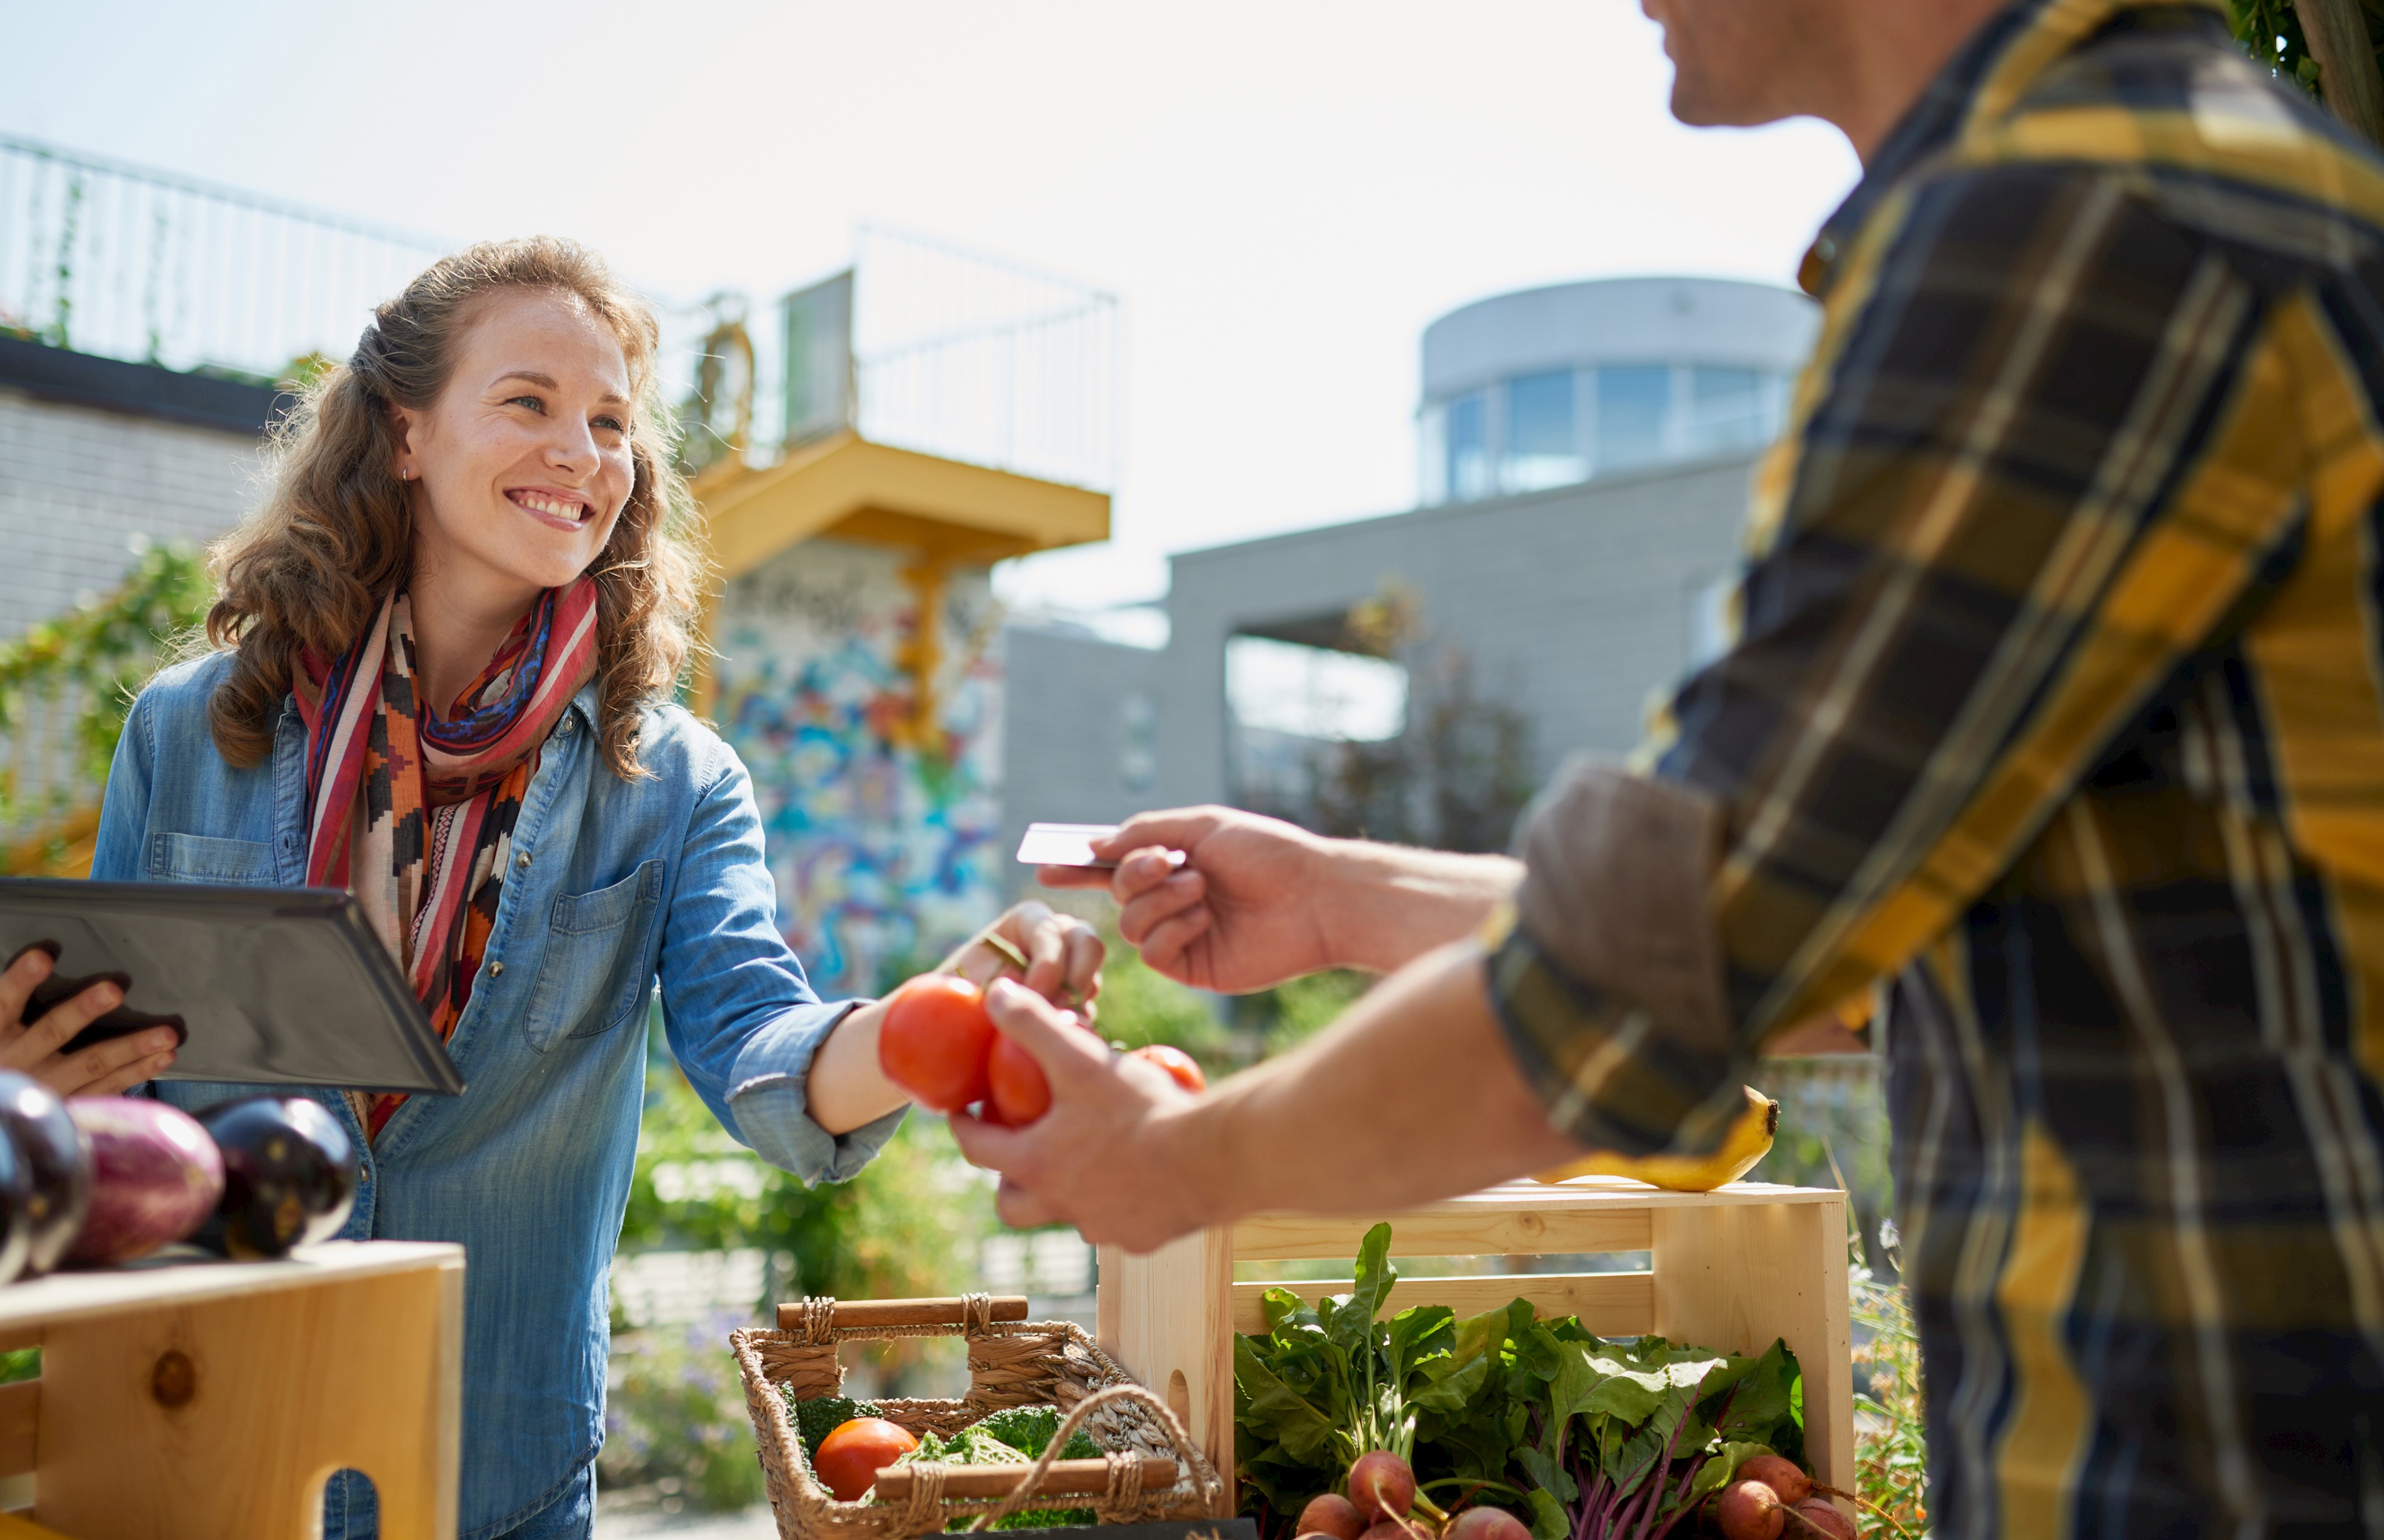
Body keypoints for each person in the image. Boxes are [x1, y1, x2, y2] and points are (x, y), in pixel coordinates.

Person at [956, 1, 2384, 1534]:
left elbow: (1639, 976)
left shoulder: (2065, 227)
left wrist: (1175, 1163)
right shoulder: (2156, 184)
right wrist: (1339, 897)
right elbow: (1833, 945)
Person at [0, 236, 1103, 1540]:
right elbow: (109, 1103)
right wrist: (31, 1085)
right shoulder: (191, 730)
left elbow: (760, 1052)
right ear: (403, 435)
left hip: (487, 1464)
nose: (582, 451)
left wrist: (937, 1014)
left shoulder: (671, 783)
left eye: (611, 421)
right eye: (528, 403)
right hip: (201, 1435)